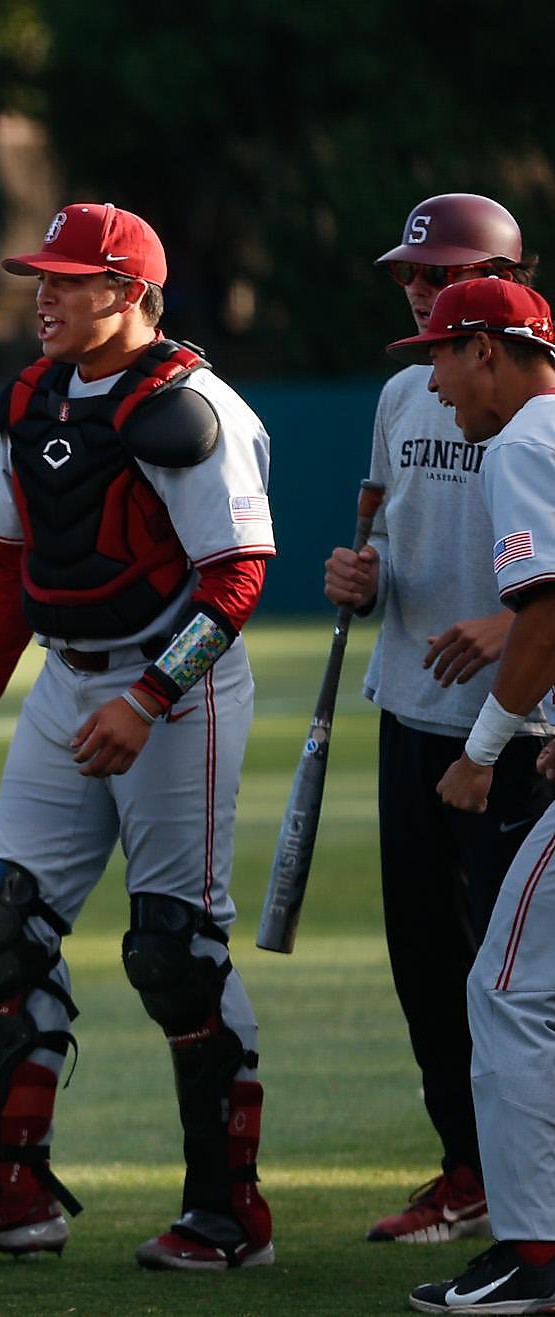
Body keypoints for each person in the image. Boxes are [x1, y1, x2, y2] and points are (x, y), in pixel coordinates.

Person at [0, 203, 279, 1270]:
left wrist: (148, 701)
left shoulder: (190, 407)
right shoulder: (31, 396)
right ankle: (13, 1192)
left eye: (64, 281)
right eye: (37, 278)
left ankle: (229, 1214)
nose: (40, 296)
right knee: (3, 927)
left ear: (125, 292)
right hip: (63, 680)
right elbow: (4, 571)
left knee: (174, 946)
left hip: (177, 687)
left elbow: (234, 579)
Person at [324, 195, 548, 1245]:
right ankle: (465, 1169)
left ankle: (526, 1199)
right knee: (425, 957)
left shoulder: (531, 419)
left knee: (513, 971)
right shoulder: (402, 393)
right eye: (411, 278)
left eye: (442, 279)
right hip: (410, 707)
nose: (420, 295)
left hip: (507, 725)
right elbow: (381, 533)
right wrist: (357, 579)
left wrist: (508, 629)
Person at [393, 277, 555, 1314]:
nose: (432, 379)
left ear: (487, 350)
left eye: (442, 356)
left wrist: (482, 747)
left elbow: (540, 622)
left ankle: (529, 1258)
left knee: (501, 992)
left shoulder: (522, 447)